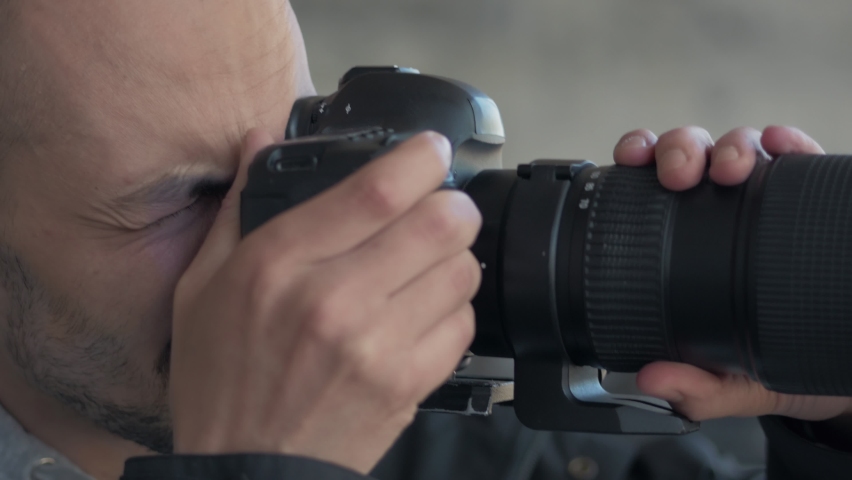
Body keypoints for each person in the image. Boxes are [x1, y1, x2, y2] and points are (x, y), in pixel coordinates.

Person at [0, 1, 848, 479]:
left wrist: (828, 412)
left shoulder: (440, 437)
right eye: (191, 199)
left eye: (303, 146)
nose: (291, 240)